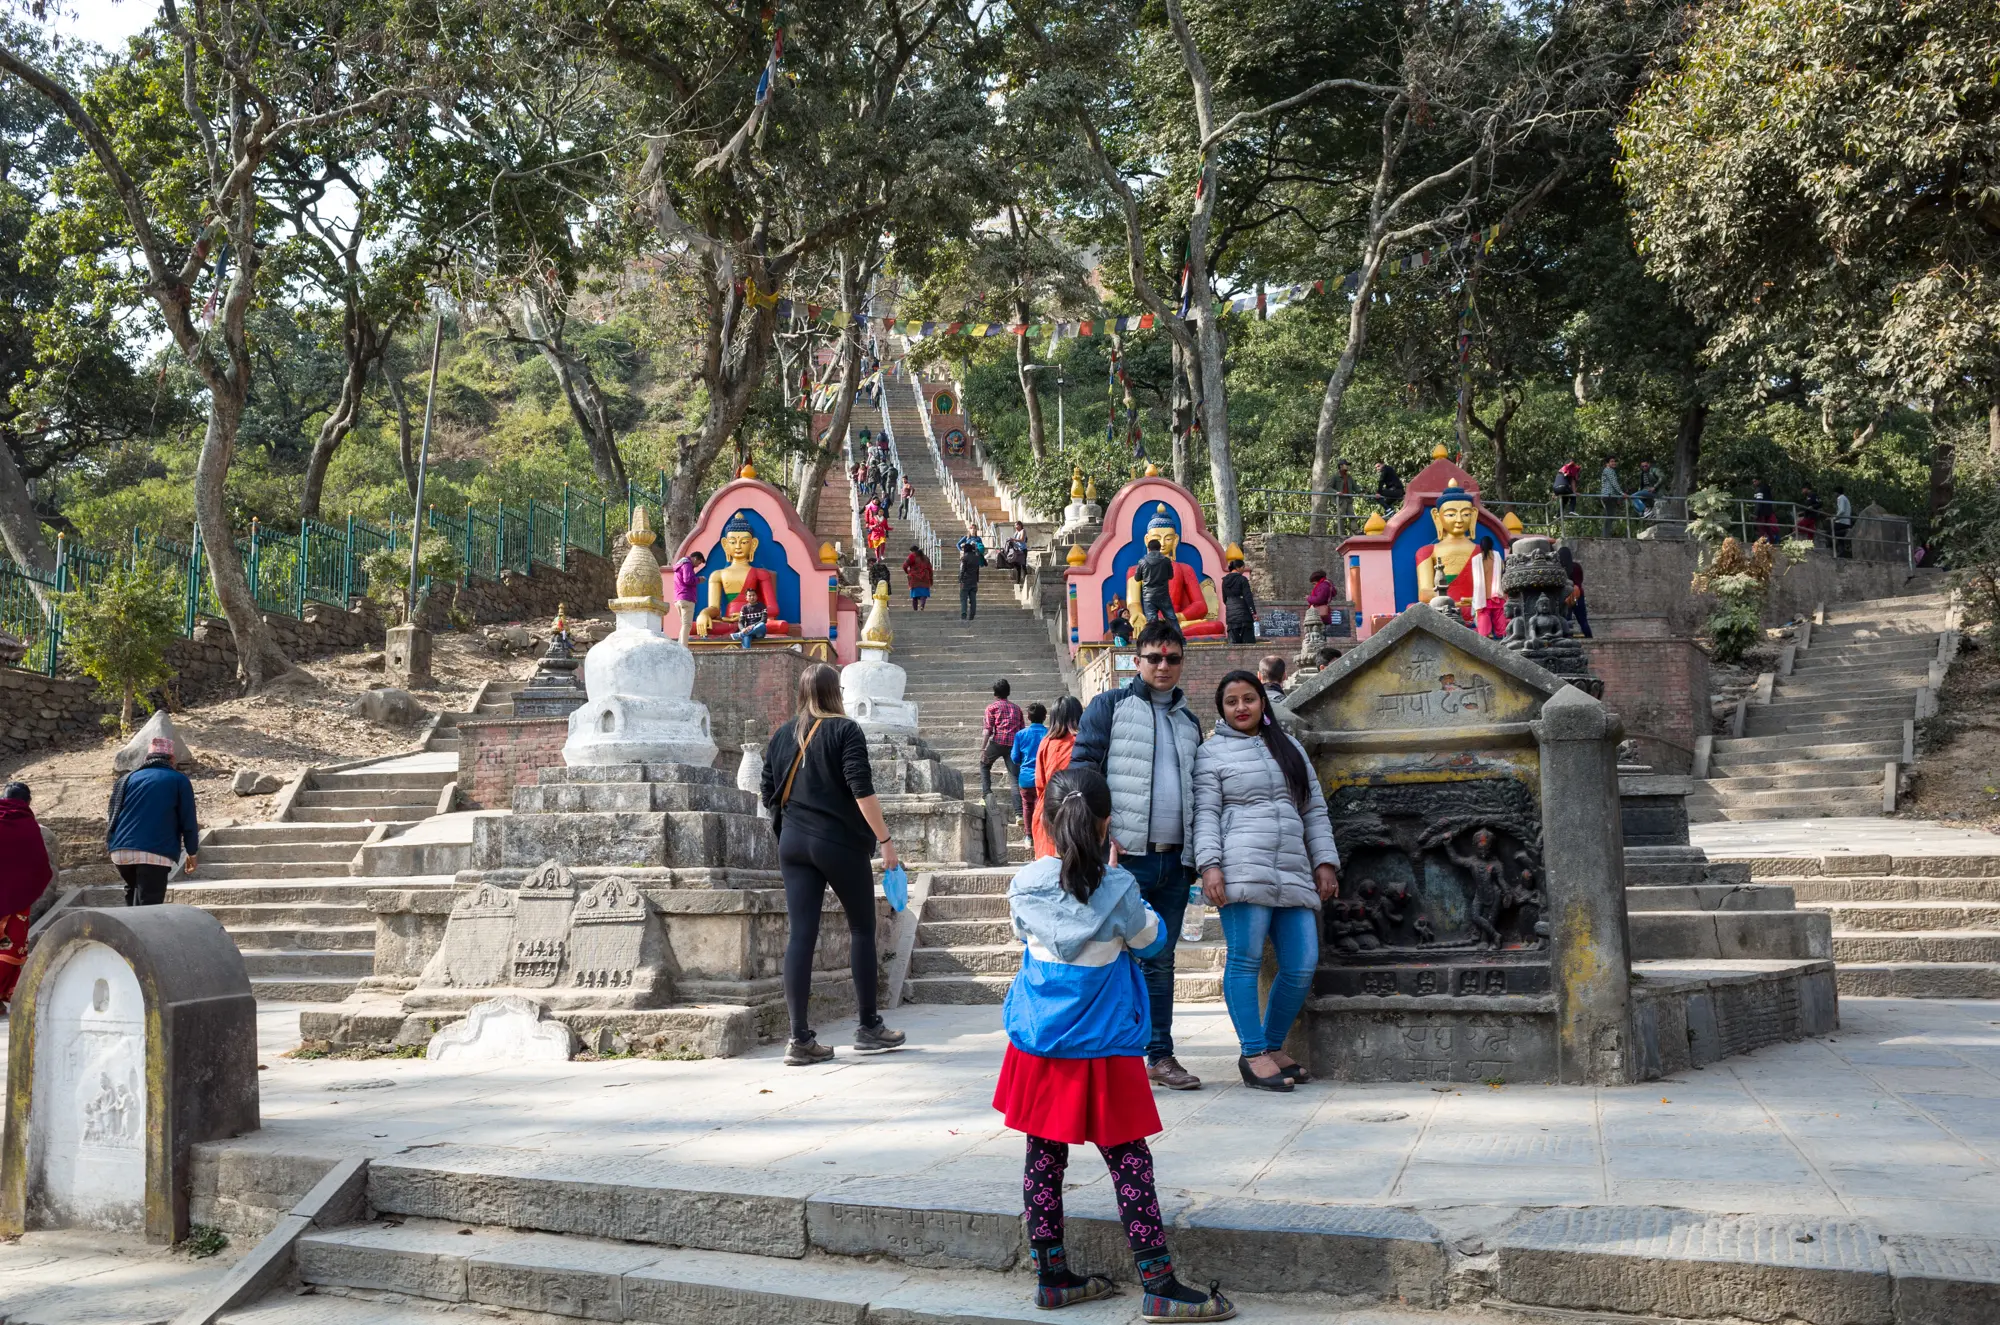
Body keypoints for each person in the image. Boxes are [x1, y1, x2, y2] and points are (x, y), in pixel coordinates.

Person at [993, 766, 1236, 1322]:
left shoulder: (1024, 883)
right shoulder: (1119, 888)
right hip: (1102, 1045)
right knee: (1128, 1160)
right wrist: (1121, 887)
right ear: (1107, 825)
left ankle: (1050, 1275)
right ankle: (1159, 1282)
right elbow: (1153, 942)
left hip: (1040, 1042)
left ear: (1047, 821)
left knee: (1043, 1159)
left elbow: (1023, 934)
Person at [1072, 619, 1205, 1091]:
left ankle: (1159, 1056)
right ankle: (1100, 1057)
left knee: (1161, 958)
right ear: (1138, 659)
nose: (1163, 666)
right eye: (1154, 657)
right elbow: (1081, 776)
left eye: (1172, 658)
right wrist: (1096, 836)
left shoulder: (1189, 722)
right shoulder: (1109, 707)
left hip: (1175, 861)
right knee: (1105, 954)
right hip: (1123, 859)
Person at [1191, 671, 1339, 1092]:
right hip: (1240, 867)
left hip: (1293, 867)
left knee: (1301, 964)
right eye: (1232, 701)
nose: (1241, 708)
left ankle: (1271, 1046)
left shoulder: (1288, 747)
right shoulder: (1211, 753)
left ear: (1262, 702)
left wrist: (1324, 861)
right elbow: (1205, 814)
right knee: (1245, 959)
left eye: (1249, 699)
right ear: (1221, 710)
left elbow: (1314, 810)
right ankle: (1253, 1052)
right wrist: (1210, 866)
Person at [759, 664, 906, 1065]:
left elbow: (767, 791)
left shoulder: (781, 735)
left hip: (793, 843)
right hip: (837, 842)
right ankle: (868, 1026)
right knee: (861, 927)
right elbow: (861, 789)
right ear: (836, 692)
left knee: (801, 935)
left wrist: (788, 831)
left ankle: (799, 1039)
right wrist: (886, 842)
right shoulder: (846, 730)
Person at [106, 735, 199, 906]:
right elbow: (188, 820)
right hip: (154, 852)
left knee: (133, 892)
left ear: (146, 758)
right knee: (149, 905)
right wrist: (191, 852)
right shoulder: (179, 780)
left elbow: (112, 813)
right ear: (172, 759)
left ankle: (129, 929)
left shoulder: (127, 779)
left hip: (120, 851)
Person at [0, 782, 55, 1005]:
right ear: (28, 801)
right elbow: (40, 863)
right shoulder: (27, 823)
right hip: (16, 899)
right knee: (10, 946)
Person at [1031, 697, 1082, 859]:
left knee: (1048, 870)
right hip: (1077, 812)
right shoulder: (1081, 741)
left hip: (1048, 810)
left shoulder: (1046, 742)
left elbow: (1039, 783)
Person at [981, 679, 1027, 809]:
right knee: (1014, 779)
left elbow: (988, 730)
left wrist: (983, 748)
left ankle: (987, 794)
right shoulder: (1017, 709)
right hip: (1013, 746)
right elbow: (1021, 730)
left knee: (984, 764)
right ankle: (1018, 813)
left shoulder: (992, 708)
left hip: (997, 742)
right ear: (1008, 692)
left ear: (995, 693)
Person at [1011, 703, 1049, 838]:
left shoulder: (1020, 735)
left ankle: (1028, 836)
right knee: (1043, 807)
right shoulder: (1049, 734)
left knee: (1027, 807)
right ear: (1045, 717)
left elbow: (1015, 758)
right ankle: (1042, 836)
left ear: (1028, 717)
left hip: (1026, 778)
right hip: (1044, 779)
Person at [670, 550, 706, 646]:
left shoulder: (680, 565)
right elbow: (688, 580)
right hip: (687, 598)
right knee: (687, 625)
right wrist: (699, 579)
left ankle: (680, 646)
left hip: (679, 598)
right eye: (699, 562)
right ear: (695, 558)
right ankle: (684, 648)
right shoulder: (687, 564)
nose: (698, 565)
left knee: (684, 624)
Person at [1136, 539, 1175, 624]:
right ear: (1159, 548)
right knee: (1171, 618)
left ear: (1148, 549)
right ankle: (1178, 636)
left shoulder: (1142, 561)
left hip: (1148, 596)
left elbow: (1137, 578)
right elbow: (1171, 576)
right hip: (1163, 595)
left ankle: (1154, 637)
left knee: (1152, 621)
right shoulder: (1166, 560)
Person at [1220, 557, 1258, 645]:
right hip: (1244, 616)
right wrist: (1253, 613)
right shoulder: (1242, 579)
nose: (1243, 570)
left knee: (1233, 646)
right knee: (1248, 645)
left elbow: (1224, 598)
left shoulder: (1224, 581)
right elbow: (1248, 597)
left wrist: (1231, 607)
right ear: (1238, 568)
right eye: (1243, 568)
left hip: (1231, 617)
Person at [1557, 545, 1592, 639]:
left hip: (1566, 596)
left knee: (1566, 618)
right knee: (1582, 619)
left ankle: (1568, 637)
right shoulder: (1576, 567)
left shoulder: (1559, 568)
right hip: (1578, 595)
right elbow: (1580, 581)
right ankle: (1589, 638)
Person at [731, 584, 769, 649]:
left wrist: (753, 626)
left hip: (759, 632)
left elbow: (764, 620)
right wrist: (742, 629)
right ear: (746, 598)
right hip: (748, 632)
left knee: (762, 624)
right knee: (746, 636)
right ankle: (745, 655)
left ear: (756, 596)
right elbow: (740, 622)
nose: (752, 597)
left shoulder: (762, 606)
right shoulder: (744, 608)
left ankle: (740, 635)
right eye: (750, 596)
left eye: (753, 595)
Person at [958, 534, 984, 620]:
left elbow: (962, 570)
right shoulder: (976, 558)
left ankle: (964, 613)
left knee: (963, 598)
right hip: (973, 581)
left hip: (965, 581)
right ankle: (972, 614)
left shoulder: (964, 558)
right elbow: (977, 570)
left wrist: (960, 580)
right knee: (973, 599)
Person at [903, 545, 933, 611]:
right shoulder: (926, 558)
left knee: (914, 596)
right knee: (924, 594)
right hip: (925, 577)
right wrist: (931, 579)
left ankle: (915, 610)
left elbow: (904, 566)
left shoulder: (912, 556)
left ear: (912, 551)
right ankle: (922, 605)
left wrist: (908, 572)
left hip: (914, 578)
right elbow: (930, 569)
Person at [1751, 477, 1778, 544]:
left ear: (1759, 480)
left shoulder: (1759, 489)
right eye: (1753, 482)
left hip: (1761, 512)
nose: (1754, 483)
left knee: (1761, 528)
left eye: (1755, 481)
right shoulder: (1766, 488)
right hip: (1768, 511)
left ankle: (1762, 544)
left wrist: (1756, 513)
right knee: (1767, 528)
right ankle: (1772, 542)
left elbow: (1758, 502)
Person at [1833, 488, 1854, 558]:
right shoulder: (1845, 498)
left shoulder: (1840, 498)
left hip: (1841, 521)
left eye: (1834, 493)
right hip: (1847, 521)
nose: (1834, 495)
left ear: (1837, 492)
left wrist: (1835, 518)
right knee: (1840, 538)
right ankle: (1842, 552)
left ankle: (1846, 531)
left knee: (1832, 532)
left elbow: (1841, 510)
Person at [1333, 459, 1355, 524]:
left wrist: (1361, 491)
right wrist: (1335, 492)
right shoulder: (1335, 476)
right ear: (1341, 466)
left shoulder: (1349, 477)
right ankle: (1341, 533)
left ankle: (1356, 531)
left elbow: (1355, 486)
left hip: (1348, 499)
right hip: (1341, 500)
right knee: (1341, 517)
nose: (1347, 466)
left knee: (1352, 516)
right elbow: (1328, 487)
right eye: (1346, 465)